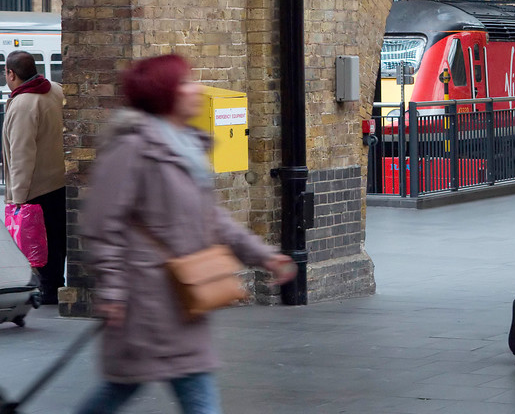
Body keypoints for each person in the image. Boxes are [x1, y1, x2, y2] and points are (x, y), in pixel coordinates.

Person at [76, 54, 297, 414]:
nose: (196, 89)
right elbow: (102, 226)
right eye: (185, 82)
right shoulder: (132, 149)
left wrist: (263, 255)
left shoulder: (188, 146)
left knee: (145, 387)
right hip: (144, 300)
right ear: (165, 93)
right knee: (129, 388)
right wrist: (113, 290)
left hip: (184, 297)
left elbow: (213, 219)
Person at [2, 50, 66, 304]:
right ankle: (54, 285)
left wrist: (18, 196)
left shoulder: (23, 104)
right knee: (57, 238)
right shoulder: (55, 89)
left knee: (41, 241)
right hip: (59, 179)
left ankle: (49, 290)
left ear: (11, 74)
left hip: (37, 187)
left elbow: (21, 154)